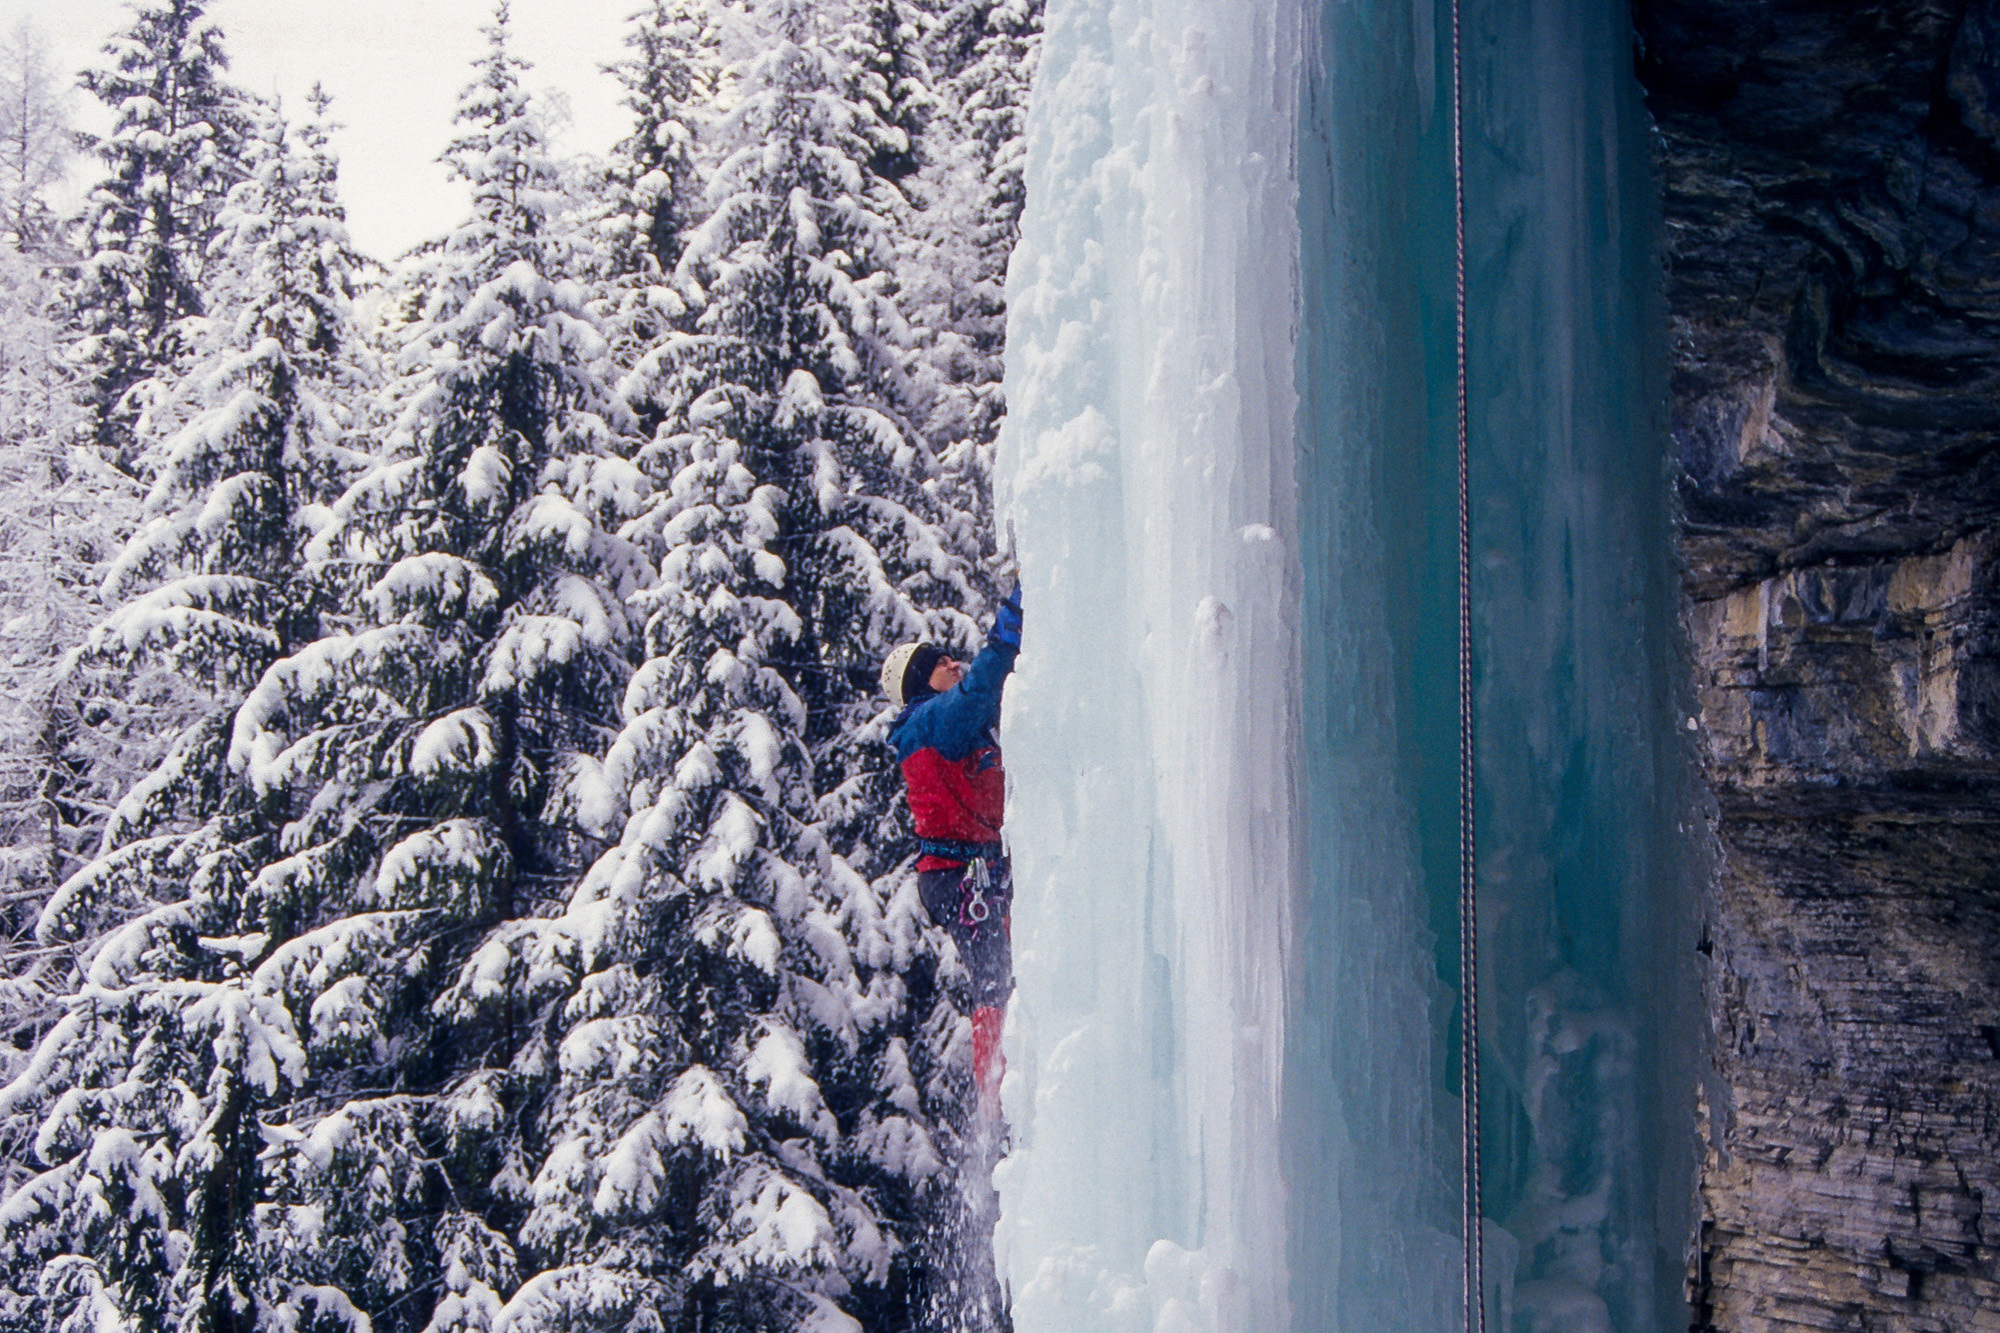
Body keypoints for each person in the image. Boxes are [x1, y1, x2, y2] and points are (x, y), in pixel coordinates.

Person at [880, 585, 1023, 1115]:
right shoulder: (932, 721)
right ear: (921, 683)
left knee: (1007, 968)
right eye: (938, 663)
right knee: (995, 975)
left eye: (947, 656)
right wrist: (1014, 617)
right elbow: (984, 683)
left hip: (974, 868)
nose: (952, 663)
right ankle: (996, 1102)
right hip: (960, 874)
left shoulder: (949, 724)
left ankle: (1004, 1088)